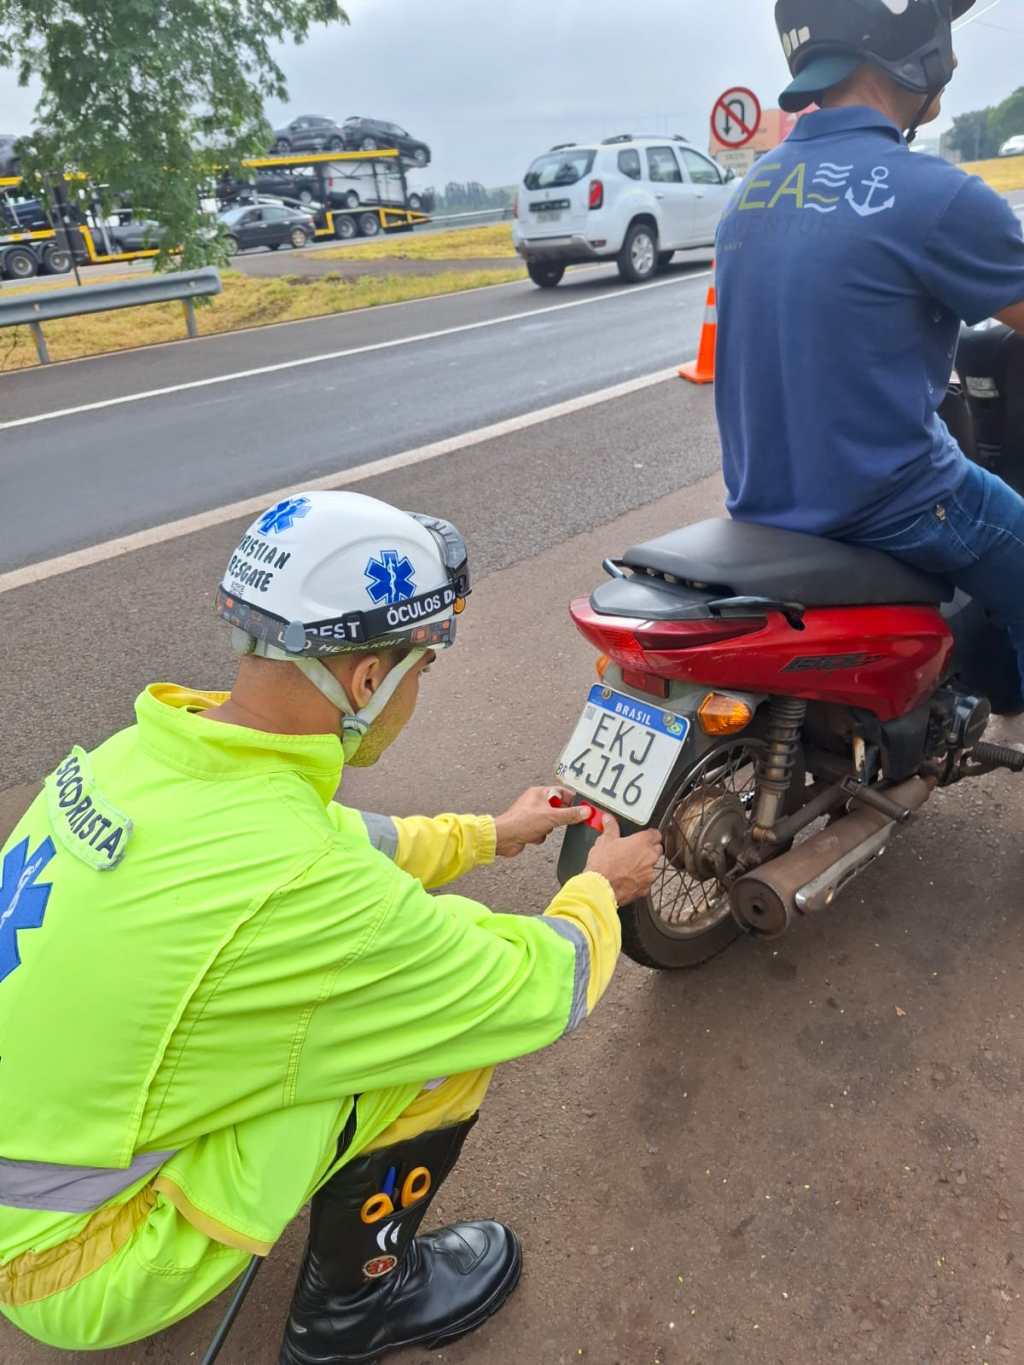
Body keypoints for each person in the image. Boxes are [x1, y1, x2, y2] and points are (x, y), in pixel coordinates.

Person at [0, 490, 662, 1362]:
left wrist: (492, 834)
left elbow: (343, 840)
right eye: (419, 671)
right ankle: (358, 1306)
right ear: (365, 679)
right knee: (442, 1037)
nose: (415, 691)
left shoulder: (147, 756)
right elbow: (528, 986)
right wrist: (596, 892)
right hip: (68, 1262)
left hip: (37, 1154)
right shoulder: (304, 882)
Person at [715, 0, 1024, 693]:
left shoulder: (750, 190)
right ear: (919, 47)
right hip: (898, 505)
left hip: (763, 503)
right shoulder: (935, 196)